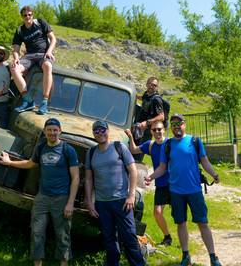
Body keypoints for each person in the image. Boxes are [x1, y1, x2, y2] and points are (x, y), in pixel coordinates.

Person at [0, 118, 79, 266]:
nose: (52, 133)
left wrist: (70, 203)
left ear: (60, 131)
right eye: (49, 130)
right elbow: (30, 163)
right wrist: (10, 163)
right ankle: (37, 263)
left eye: (55, 130)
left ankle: (64, 263)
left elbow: (75, 177)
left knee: (62, 234)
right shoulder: (41, 147)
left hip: (61, 198)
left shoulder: (68, 150)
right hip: (42, 197)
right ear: (45, 132)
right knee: (37, 232)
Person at [145, 114, 222, 266]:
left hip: (194, 190)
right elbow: (162, 167)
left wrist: (214, 174)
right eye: (173, 124)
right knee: (181, 223)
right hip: (176, 192)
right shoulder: (167, 145)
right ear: (171, 128)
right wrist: (151, 177)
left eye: (179, 123)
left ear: (184, 124)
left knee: (203, 223)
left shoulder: (194, 141)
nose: (176, 127)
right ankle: (186, 256)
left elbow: (204, 161)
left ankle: (213, 257)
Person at [85, 120, 146, 266]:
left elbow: (133, 171)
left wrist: (131, 195)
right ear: (93, 134)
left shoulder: (119, 147)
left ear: (108, 131)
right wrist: (89, 202)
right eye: (96, 131)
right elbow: (88, 179)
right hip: (102, 203)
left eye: (102, 130)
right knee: (109, 238)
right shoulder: (91, 152)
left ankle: (138, 264)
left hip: (122, 201)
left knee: (129, 236)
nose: (100, 133)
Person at [124, 121, 173, 246]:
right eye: (154, 130)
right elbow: (134, 150)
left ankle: (185, 246)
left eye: (159, 129)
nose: (157, 132)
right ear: (151, 132)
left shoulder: (171, 144)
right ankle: (167, 237)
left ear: (164, 130)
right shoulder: (150, 145)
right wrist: (130, 136)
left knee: (178, 215)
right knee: (157, 213)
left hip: (175, 184)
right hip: (161, 184)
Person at [11, 5, 57, 115]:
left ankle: (44, 102)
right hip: (29, 56)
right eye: (25, 15)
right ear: (22, 17)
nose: (27, 17)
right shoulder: (19, 30)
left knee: (48, 66)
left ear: (32, 15)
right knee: (14, 68)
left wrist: (49, 51)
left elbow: (53, 38)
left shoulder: (40, 22)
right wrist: (16, 58)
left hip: (43, 54)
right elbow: (16, 48)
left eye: (29, 15)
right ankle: (27, 100)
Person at [132, 77, 165, 161]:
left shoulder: (157, 99)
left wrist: (147, 123)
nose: (151, 86)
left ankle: (136, 170)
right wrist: (133, 96)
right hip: (138, 127)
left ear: (156, 87)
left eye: (154, 85)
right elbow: (142, 98)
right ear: (147, 84)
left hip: (146, 131)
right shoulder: (146, 94)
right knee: (131, 149)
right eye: (150, 84)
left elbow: (161, 116)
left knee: (138, 153)